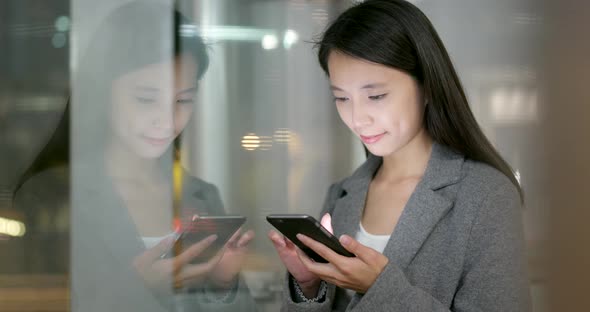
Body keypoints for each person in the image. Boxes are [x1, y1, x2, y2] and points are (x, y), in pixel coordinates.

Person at [268, 0, 531, 311]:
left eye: (376, 96)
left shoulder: (485, 195)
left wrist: (379, 287)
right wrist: (308, 286)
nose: (357, 118)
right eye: (341, 98)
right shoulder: (342, 195)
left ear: (428, 87)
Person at [11, 1, 257, 311]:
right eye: (145, 99)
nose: (166, 120)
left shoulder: (202, 196)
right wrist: (134, 290)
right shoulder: (54, 195)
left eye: (183, 100)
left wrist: (223, 285)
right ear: (101, 91)